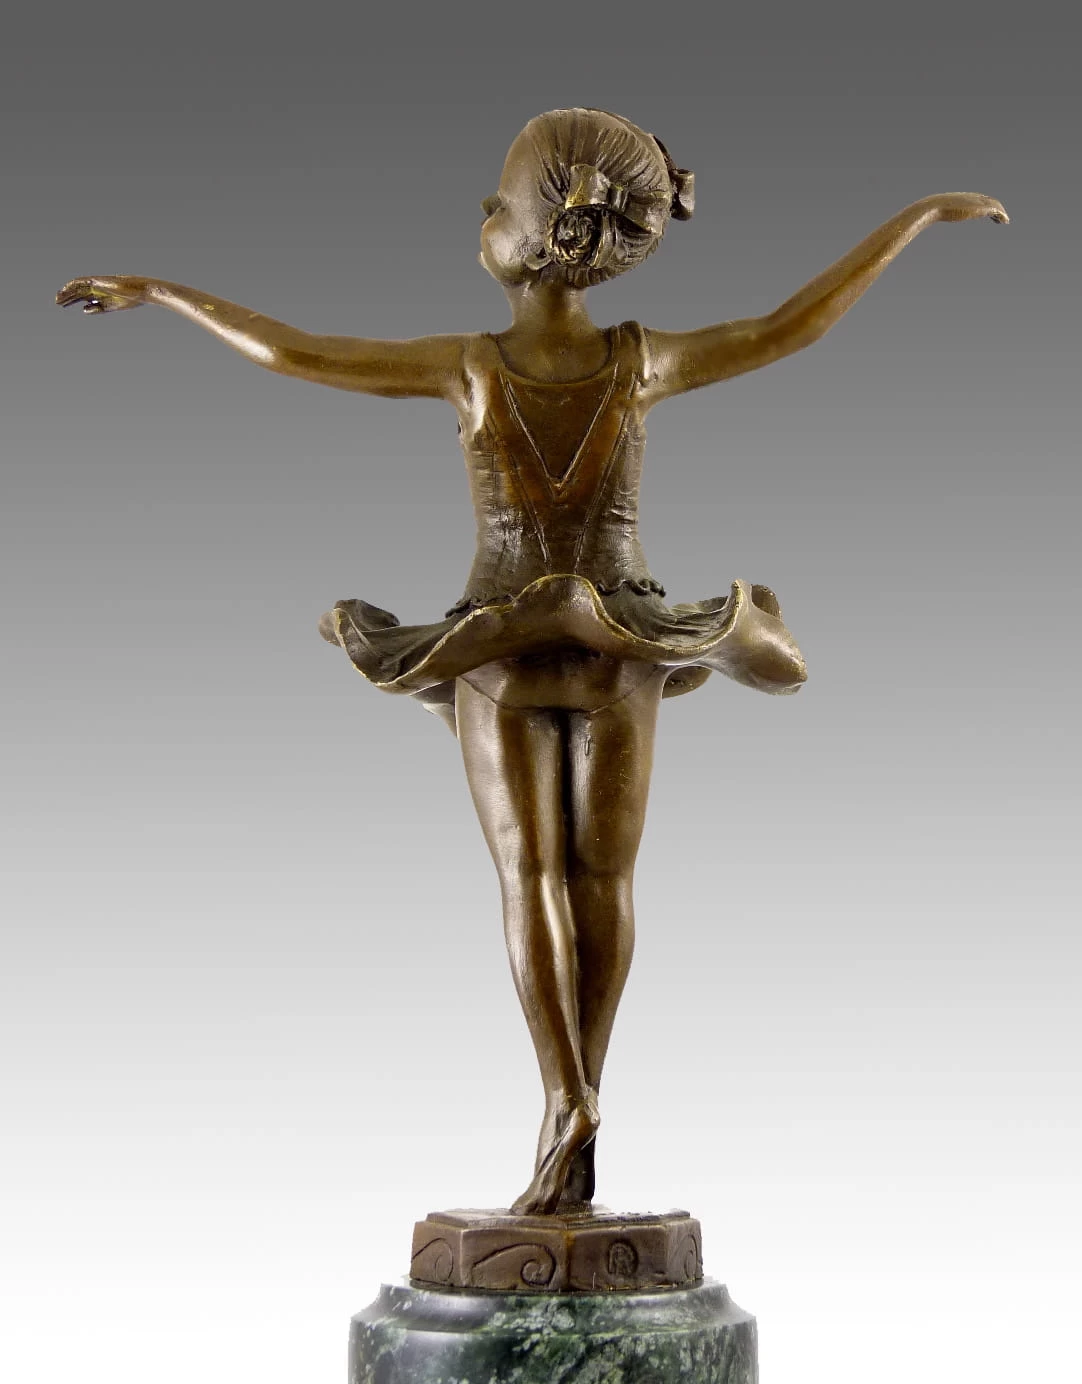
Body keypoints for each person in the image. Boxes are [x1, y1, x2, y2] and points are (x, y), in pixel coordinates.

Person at [58, 107, 1007, 1215]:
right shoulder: (641, 363)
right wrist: (917, 217)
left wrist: (165, 293)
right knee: (605, 881)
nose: (480, 211)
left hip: (498, 650)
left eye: (496, 201)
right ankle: (586, 1096)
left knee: (531, 879)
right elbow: (793, 326)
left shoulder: (470, 368)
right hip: (621, 649)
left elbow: (299, 352)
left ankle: (564, 1097)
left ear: (546, 231)